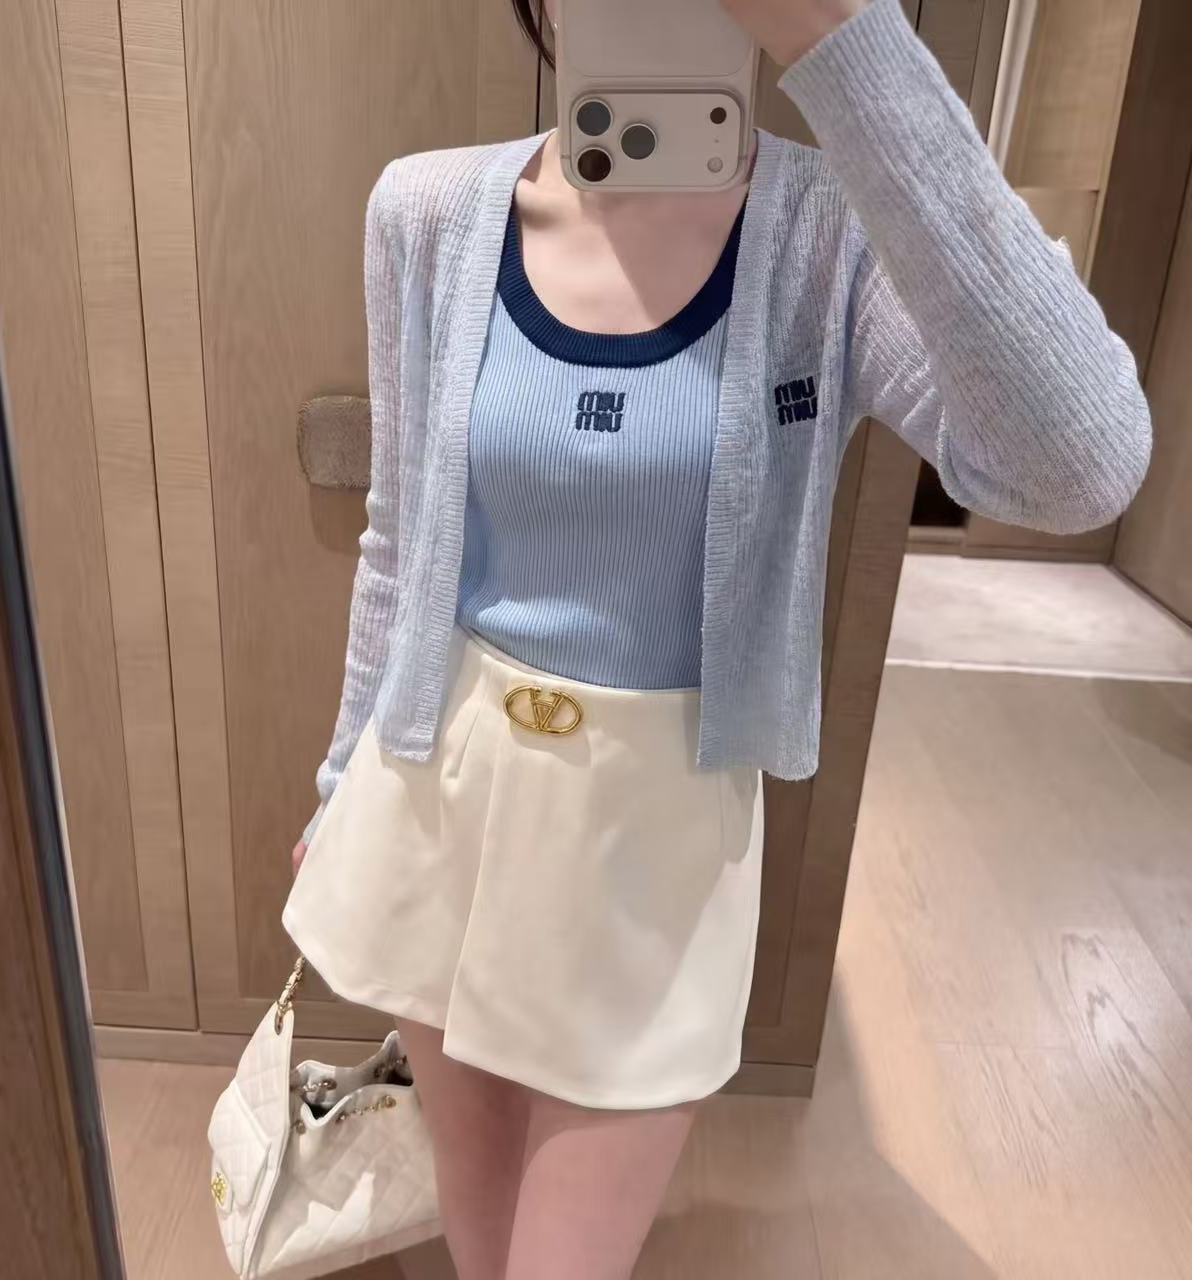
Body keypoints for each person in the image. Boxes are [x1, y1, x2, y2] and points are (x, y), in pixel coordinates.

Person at [285, 1, 1152, 1276]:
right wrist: (340, 776)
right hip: (438, 795)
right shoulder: (425, 212)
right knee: (477, 1236)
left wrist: (843, 39)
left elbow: (1079, 463)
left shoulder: (827, 240)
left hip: (656, 846)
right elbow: (398, 535)